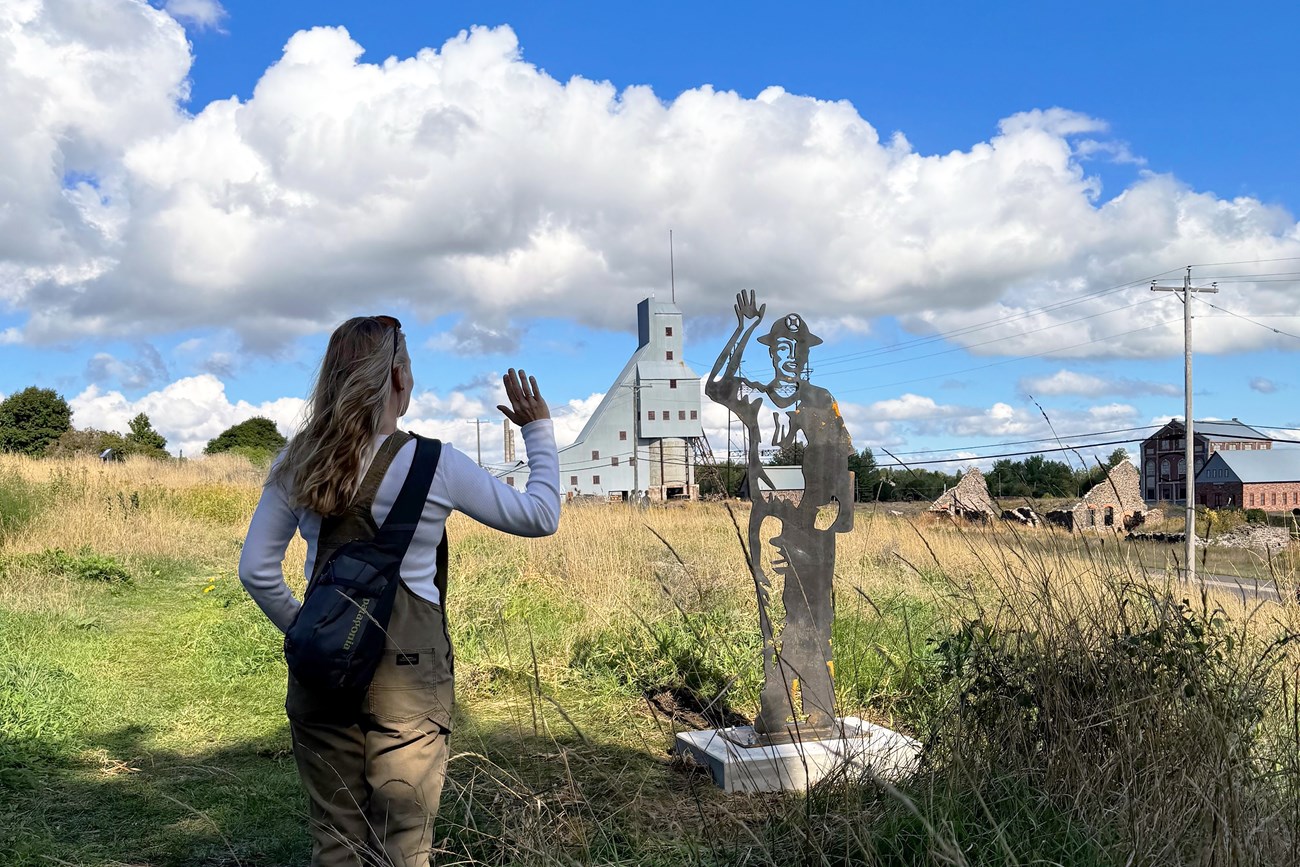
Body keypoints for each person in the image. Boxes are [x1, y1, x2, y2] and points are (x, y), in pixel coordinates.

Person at [239, 315, 560, 866]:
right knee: (404, 845)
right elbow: (539, 515)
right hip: (409, 673)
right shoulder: (435, 464)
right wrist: (539, 432)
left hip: (321, 669)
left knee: (336, 842)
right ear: (398, 378)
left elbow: (257, 572)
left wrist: (312, 633)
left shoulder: (297, 460)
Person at [705, 291, 853, 735]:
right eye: (783, 348)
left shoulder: (821, 399)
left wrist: (840, 514)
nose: (791, 356)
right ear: (772, 353)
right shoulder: (754, 396)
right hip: (771, 521)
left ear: (806, 354)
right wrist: (743, 329)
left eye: (798, 349)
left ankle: (819, 710)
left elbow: (841, 458)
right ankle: (776, 709)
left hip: (814, 525)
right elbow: (715, 386)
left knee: (816, 615)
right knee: (774, 614)